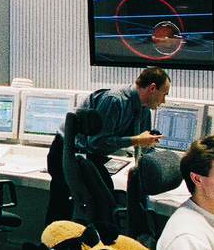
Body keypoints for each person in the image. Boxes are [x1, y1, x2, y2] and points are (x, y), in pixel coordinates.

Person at [47, 66, 172, 225]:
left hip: (90, 154)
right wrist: (136, 140)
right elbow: (98, 141)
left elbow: (144, 147)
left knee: (106, 200)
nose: (164, 101)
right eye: (164, 94)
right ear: (152, 88)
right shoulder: (114, 99)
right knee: (62, 205)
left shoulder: (143, 109)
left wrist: (150, 172)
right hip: (67, 151)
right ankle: (51, 245)